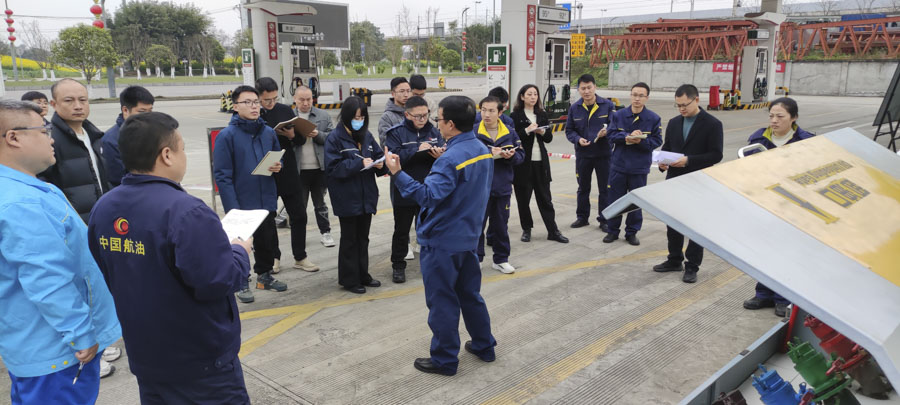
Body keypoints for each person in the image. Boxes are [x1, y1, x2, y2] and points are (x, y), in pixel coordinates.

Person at [88, 112, 253, 404]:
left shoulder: (104, 207)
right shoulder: (187, 212)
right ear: (166, 155)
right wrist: (239, 251)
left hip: (147, 355)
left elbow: (107, 267)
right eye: (182, 149)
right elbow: (218, 280)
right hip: (200, 363)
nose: (184, 156)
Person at [0, 100, 121, 404]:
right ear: (13, 137)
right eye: (44, 130)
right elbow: (47, 278)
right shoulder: (21, 204)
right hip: (56, 353)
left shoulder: (24, 189)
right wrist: (81, 334)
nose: (51, 138)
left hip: (32, 344)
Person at [384, 95, 497, 377]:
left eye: (438, 119)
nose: (437, 124)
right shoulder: (482, 148)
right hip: (469, 237)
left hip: (443, 241)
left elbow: (427, 195)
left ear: (449, 124)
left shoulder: (450, 159)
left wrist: (397, 173)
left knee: (443, 301)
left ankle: (445, 359)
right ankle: (484, 345)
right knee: (470, 295)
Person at [214, 85, 288, 304]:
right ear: (235, 107)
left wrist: (278, 165)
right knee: (241, 244)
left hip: (265, 197)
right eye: (247, 102)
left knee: (266, 239)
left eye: (256, 102)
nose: (254, 106)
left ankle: (264, 276)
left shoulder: (267, 132)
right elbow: (222, 175)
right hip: (241, 201)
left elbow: (277, 158)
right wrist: (232, 207)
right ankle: (241, 281)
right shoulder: (227, 136)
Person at [742, 97, 814, 317]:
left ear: (794, 118)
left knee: (787, 253)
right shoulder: (757, 138)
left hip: (794, 205)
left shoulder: (806, 141)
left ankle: (784, 298)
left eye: (780, 116)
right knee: (765, 250)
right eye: (771, 116)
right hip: (765, 203)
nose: (774, 121)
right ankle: (763, 294)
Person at [653, 84, 724, 284]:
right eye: (678, 105)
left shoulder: (712, 124)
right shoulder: (675, 122)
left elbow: (716, 154)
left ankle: (692, 265)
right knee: (673, 222)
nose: (682, 109)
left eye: (685, 105)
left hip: (698, 181)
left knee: (695, 225)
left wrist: (688, 160)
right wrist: (662, 163)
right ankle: (674, 259)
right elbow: (667, 147)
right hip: (674, 179)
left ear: (697, 100)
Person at [256, 77, 319, 273]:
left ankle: (300, 256)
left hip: (287, 168)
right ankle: (274, 256)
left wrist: (292, 135)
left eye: (274, 98)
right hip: (266, 170)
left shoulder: (284, 110)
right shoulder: (253, 113)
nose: (271, 103)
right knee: (269, 217)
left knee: (299, 214)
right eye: (267, 100)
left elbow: (299, 140)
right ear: (258, 97)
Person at [324, 96, 387, 294]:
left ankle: (363, 274)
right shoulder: (334, 138)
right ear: (346, 116)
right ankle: (349, 279)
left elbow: (377, 156)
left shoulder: (366, 136)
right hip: (347, 196)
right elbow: (333, 168)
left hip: (366, 196)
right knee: (349, 239)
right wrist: (358, 164)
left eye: (362, 116)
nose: (358, 120)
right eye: (355, 116)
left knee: (363, 238)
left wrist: (380, 164)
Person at [383, 96, 445, 283]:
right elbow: (392, 158)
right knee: (401, 230)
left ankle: (432, 264)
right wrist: (417, 149)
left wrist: (438, 155)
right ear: (407, 115)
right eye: (417, 116)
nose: (422, 119)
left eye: (425, 115)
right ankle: (398, 265)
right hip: (404, 188)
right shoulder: (396, 133)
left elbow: (445, 151)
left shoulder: (434, 131)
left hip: (428, 188)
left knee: (428, 228)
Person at [38, 78, 111, 224]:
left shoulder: (95, 136)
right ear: (54, 104)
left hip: (102, 219)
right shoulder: (49, 141)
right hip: (73, 224)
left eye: (83, 100)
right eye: (69, 101)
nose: (78, 106)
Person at [603, 82, 662, 246]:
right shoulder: (618, 115)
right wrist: (627, 137)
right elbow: (611, 136)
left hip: (639, 168)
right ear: (630, 95)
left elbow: (657, 140)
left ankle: (632, 232)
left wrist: (640, 141)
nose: (637, 98)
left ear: (647, 98)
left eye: (641, 95)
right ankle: (612, 231)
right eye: (634, 95)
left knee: (636, 202)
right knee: (615, 200)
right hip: (619, 166)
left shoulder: (653, 119)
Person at [510, 84, 569, 244]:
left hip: (540, 163)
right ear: (522, 97)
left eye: (535, 94)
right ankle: (526, 229)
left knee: (545, 199)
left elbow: (548, 138)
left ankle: (553, 230)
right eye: (529, 94)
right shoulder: (515, 116)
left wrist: (543, 132)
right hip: (523, 164)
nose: (533, 97)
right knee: (524, 199)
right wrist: (527, 130)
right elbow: (513, 137)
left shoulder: (541, 114)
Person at [475, 96, 524, 274]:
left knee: (501, 225)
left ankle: (501, 259)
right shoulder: (473, 132)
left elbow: (521, 157)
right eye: (483, 110)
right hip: (479, 188)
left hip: (502, 186)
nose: (486, 114)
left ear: (500, 112)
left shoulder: (509, 132)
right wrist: (488, 152)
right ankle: (476, 258)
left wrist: (510, 156)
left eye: (491, 111)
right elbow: (467, 155)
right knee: (477, 225)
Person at [565, 74, 617, 230]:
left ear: (595, 87)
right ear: (579, 90)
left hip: (604, 155)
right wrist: (577, 139)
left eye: (589, 87)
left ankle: (605, 220)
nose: (586, 91)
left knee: (605, 188)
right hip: (583, 155)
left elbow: (615, 126)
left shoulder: (607, 105)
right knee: (583, 188)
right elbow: (569, 130)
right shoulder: (574, 108)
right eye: (583, 88)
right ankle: (582, 217)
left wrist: (606, 133)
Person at [292, 86, 336, 248]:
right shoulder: (290, 117)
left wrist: (319, 135)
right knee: (300, 206)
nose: (305, 103)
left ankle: (326, 232)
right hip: (299, 170)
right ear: (295, 99)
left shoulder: (322, 116)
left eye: (309, 99)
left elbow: (333, 138)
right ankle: (300, 236)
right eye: (302, 99)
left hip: (319, 169)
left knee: (320, 203)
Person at [101, 85, 155, 187]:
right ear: (125, 111)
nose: (148, 116)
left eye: (150, 111)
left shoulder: (154, 133)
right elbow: (117, 181)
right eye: (142, 112)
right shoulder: (111, 141)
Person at [377, 77, 411, 145]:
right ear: (393, 93)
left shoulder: (414, 113)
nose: (406, 95)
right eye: (402, 91)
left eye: (408, 91)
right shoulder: (386, 118)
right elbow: (386, 144)